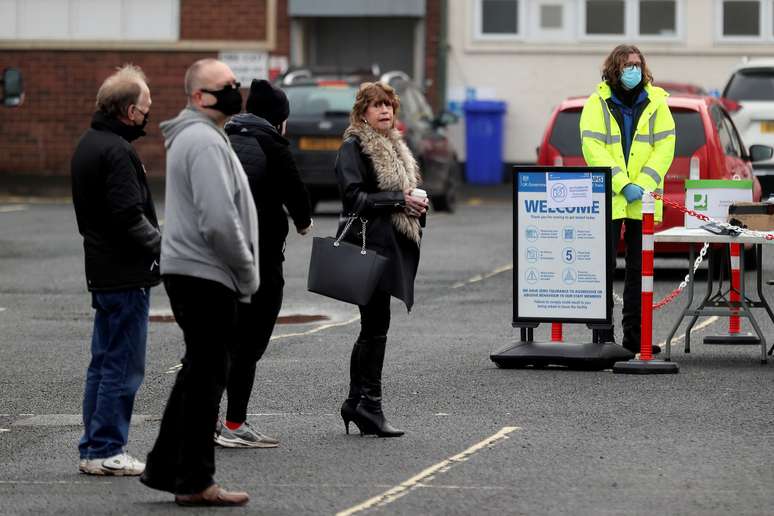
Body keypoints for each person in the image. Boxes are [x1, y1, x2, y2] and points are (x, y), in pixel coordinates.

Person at [139, 58, 258, 507]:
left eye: (235, 83)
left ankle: (168, 467)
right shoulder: (203, 142)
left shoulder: (205, 137)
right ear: (198, 97)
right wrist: (247, 271)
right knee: (207, 377)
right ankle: (194, 480)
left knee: (198, 374)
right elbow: (219, 221)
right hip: (206, 275)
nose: (235, 90)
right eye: (225, 85)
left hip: (198, 273)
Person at [71, 64, 160, 476]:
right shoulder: (117, 151)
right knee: (123, 366)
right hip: (125, 273)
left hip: (103, 269)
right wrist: (168, 250)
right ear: (127, 111)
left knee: (103, 362)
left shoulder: (90, 143)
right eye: (144, 108)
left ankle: (94, 446)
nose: (148, 115)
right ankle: (106, 448)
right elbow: (129, 216)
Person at [218, 79, 313, 448]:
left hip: (218, 255)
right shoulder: (273, 144)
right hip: (260, 257)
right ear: (280, 120)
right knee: (250, 341)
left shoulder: (222, 137)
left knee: (219, 340)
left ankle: (209, 421)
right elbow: (297, 193)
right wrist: (303, 223)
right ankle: (235, 423)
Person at [335, 82, 428, 438]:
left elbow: (397, 195)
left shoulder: (395, 146)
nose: (384, 111)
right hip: (367, 247)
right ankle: (368, 406)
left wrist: (415, 203)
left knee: (373, 328)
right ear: (362, 112)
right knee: (375, 327)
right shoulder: (353, 146)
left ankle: (358, 402)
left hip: (386, 247)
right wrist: (399, 200)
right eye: (376, 106)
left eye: (388, 104)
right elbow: (353, 199)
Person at [580, 45, 675, 354]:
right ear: (614, 69)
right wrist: (622, 183)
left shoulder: (657, 103)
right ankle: (603, 337)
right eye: (627, 65)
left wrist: (643, 183)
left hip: (643, 198)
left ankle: (635, 338)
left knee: (639, 271)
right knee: (603, 267)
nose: (633, 70)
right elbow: (593, 147)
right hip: (610, 195)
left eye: (637, 64)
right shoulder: (598, 103)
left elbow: (665, 147)